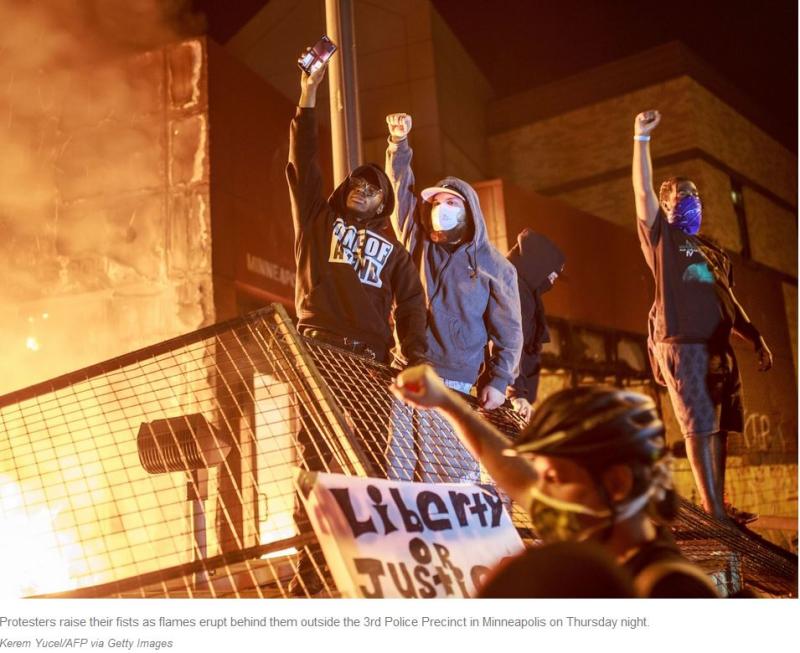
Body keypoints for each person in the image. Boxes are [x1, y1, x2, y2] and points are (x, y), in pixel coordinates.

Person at [285, 57, 428, 595]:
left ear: (383, 201)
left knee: (366, 461)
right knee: (317, 459)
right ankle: (310, 570)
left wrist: (413, 358)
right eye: (357, 184)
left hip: (370, 361)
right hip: (319, 347)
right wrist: (308, 94)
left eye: (373, 188)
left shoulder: (393, 249)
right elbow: (305, 158)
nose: (363, 191)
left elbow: (413, 305)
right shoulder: (319, 220)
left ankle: (362, 569)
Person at [391, 365, 719, 597]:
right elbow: (512, 472)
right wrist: (446, 403)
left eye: (552, 478)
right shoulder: (597, 530)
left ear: (617, 483)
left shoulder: (669, 591)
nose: (537, 491)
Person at [631, 110, 772, 524]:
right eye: (683, 194)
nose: (692, 200)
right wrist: (640, 139)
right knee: (700, 424)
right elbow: (641, 194)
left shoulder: (714, 251)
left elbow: (729, 299)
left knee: (721, 425)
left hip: (720, 348)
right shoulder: (663, 240)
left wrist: (756, 336)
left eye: (697, 195)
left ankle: (718, 505)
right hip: (684, 343)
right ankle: (713, 513)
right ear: (668, 200)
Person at [383, 112, 522, 482]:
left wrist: (498, 379)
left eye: (451, 203)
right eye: (436, 202)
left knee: (448, 474)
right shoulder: (419, 242)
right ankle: (409, 538)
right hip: (407, 368)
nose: (441, 209)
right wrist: (399, 144)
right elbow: (399, 192)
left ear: (470, 210)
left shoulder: (495, 265)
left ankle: (458, 539)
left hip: (454, 382)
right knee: (398, 470)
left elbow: (509, 333)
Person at [504, 229, 565, 422]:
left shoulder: (526, 294)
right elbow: (510, 341)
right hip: (509, 399)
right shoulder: (516, 292)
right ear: (538, 263)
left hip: (515, 398)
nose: (554, 278)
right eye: (552, 271)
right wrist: (516, 393)